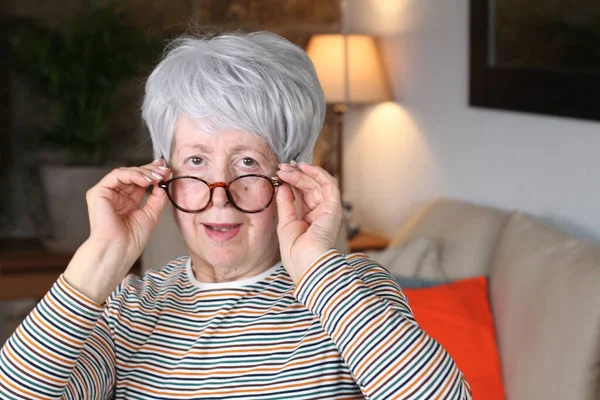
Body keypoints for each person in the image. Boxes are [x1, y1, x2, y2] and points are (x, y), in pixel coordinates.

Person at [0, 32, 471, 399]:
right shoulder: (131, 309)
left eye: (247, 162)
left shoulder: (350, 291)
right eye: (197, 162)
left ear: (291, 175)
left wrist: (318, 271)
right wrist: (97, 260)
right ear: (164, 175)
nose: (218, 197)